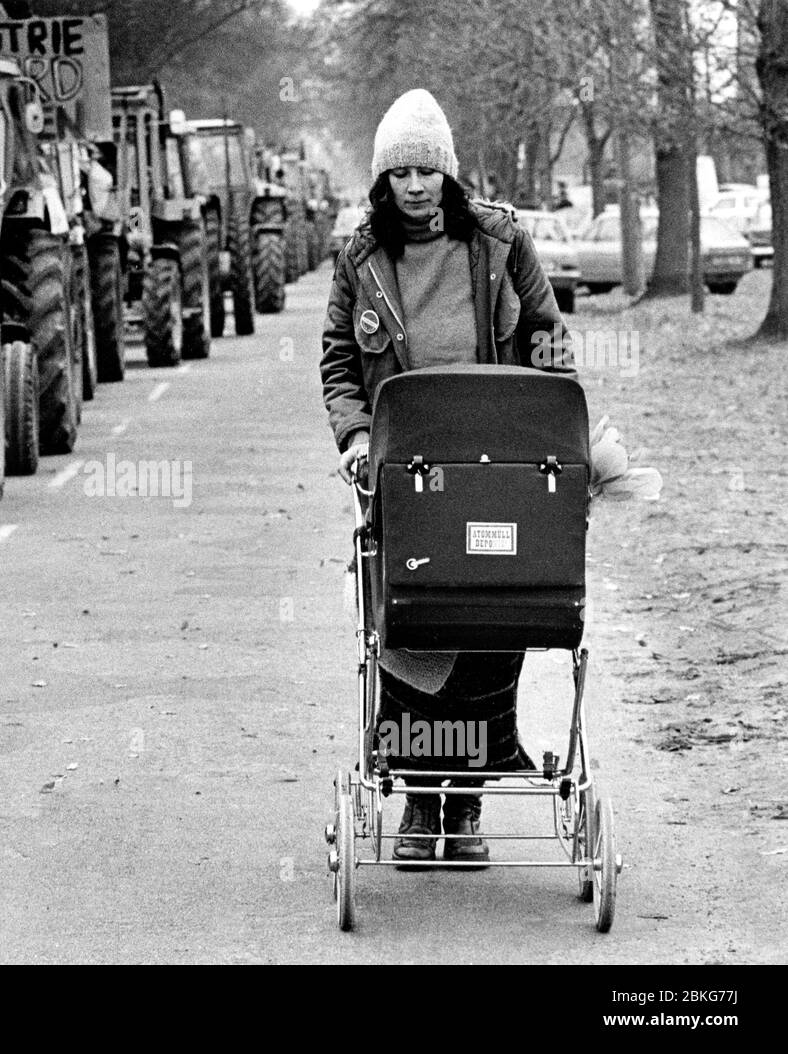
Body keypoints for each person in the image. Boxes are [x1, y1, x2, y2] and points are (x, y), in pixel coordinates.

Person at [320, 88, 571, 866]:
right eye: (402, 175)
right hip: (406, 468)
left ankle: (462, 807)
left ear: (449, 175)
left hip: (495, 462)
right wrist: (356, 436)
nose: (418, 187)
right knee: (411, 621)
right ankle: (416, 798)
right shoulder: (360, 258)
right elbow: (338, 361)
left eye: (429, 171)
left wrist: (553, 427)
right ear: (383, 183)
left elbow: (544, 334)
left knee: (496, 614)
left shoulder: (499, 240)